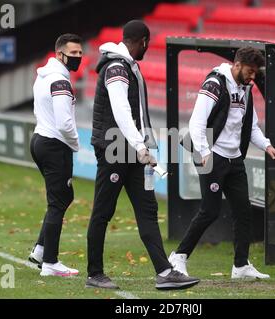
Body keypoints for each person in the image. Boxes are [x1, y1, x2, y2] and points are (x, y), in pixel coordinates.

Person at [86, 20, 200, 290]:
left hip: (131, 151)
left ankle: (164, 271)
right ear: (144, 41)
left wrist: (142, 147)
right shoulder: (117, 67)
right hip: (115, 150)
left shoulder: (126, 66)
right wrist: (140, 146)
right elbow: (121, 110)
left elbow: (132, 113)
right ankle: (94, 273)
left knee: (147, 209)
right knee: (103, 211)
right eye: (147, 45)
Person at [169, 47, 275, 279]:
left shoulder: (246, 89)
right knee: (209, 211)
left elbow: (250, 127)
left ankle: (240, 266)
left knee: (244, 212)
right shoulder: (214, 83)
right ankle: (178, 257)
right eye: (250, 71)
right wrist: (203, 151)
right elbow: (196, 122)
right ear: (238, 64)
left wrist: (267, 145)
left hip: (234, 159)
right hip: (212, 156)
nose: (253, 77)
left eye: (255, 72)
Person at [28, 34, 82, 277]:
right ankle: (50, 262)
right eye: (73, 54)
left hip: (40, 139)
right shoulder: (60, 81)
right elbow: (64, 122)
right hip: (54, 144)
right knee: (58, 200)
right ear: (60, 54)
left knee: (62, 197)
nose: (78, 58)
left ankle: (41, 250)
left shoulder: (44, 76)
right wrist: (75, 143)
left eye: (80, 53)